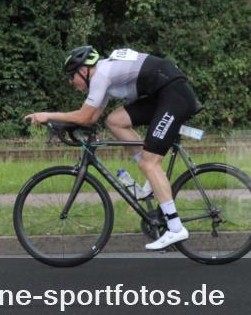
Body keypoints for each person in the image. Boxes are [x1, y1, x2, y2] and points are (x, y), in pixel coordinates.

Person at [24, 46, 201, 250]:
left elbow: (83, 116)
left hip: (174, 95)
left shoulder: (101, 76)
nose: (70, 82)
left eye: (71, 76)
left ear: (84, 70)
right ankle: (153, 181)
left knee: (149, 163)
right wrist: (65, 125)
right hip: (164, 93)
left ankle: (175, 227)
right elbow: (91, 117)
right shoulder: (104, 77)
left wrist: (48, 116)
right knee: (115, 120)